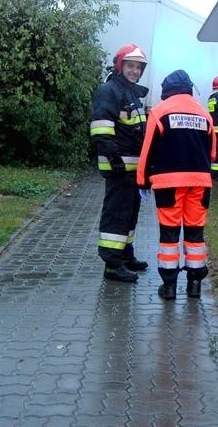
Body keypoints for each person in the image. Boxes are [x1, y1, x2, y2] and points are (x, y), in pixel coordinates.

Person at [137, 69, 216, 300]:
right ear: (189, 88)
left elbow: (147, 150)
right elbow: (211, 153)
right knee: (195, 233)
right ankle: (194, 286)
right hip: (200, 182)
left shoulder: (160, 112)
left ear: (166, 90)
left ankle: (169, 287)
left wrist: (141, 181)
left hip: (168, 184)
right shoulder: (204, 114)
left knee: (169, 236)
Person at [90, 44, 151, 282]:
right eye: (130, 66)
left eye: (138, 67)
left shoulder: (131, 93)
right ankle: (112, 265)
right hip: (119, 167)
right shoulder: (109, 91)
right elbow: (101, 128)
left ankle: (126, 255)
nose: (134, 71)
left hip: (133, 169)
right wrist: (113, 159)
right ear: (120, 65)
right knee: (116, 215)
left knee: (129, 214)